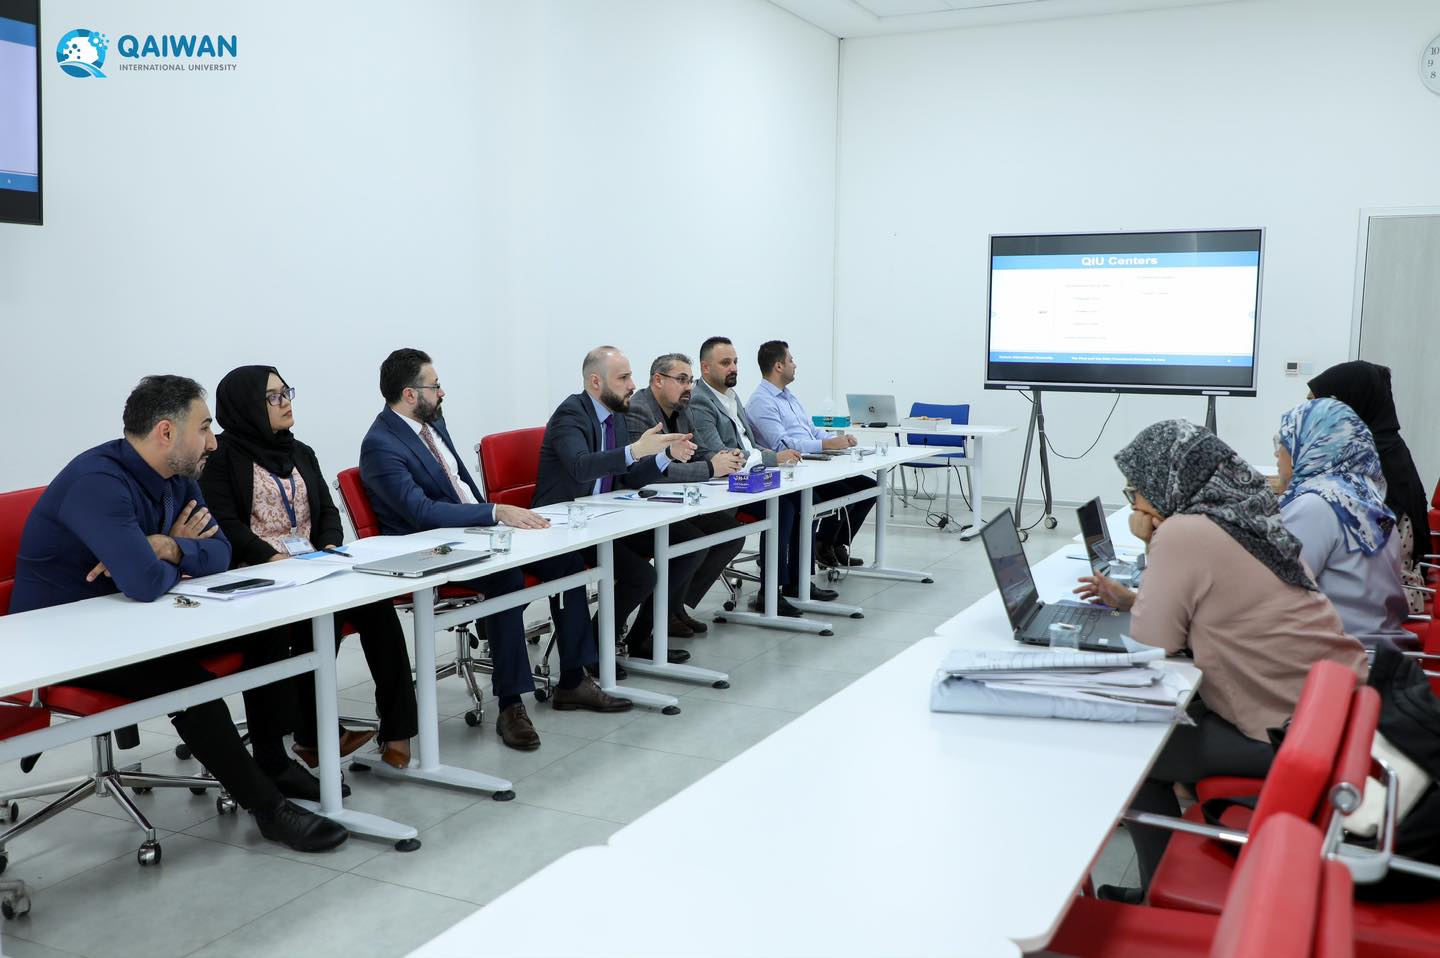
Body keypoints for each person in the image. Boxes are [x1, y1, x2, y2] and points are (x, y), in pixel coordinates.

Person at [10, 375, 347, 852]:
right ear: (166, 432)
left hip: (131, 620)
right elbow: (145, 584)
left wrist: (167, 545)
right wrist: (171, 556)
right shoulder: (98, 483)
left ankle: (272, 761)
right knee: (189, 684)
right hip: (67, 641)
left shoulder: (180, 477)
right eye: (205, 427)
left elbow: (222, 553)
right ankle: (267, 809)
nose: (213, 441)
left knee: (268, 631)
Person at [1073, 419, 1367, 900]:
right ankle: (1158, 886)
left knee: (1131, 746)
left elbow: (1153, 642)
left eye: (1136, 493)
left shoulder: (1184, 532)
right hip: (1334, 720)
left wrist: (1152, 541)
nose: (1135, 506)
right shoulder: (1249, 518)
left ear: (1167, 485)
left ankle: (1157, 896)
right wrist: (1133, 597)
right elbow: (1222, 609)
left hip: (1286, 740)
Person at [360, 349, 631, 753]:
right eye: (435, 386)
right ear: (410, 394)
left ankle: (573, 680)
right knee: (506, 579)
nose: (443, 392)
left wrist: (496, 516)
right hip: (436, 548)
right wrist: (493, 511)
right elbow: (419, 512)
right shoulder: (381, 444)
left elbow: (459, 485)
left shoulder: (432, 424)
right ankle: (510, 704)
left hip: (478, 530)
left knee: (568, 562)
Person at [200, 365, 419, 772]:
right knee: (313, 619)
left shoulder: (299, 451)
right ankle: (314, 735)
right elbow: (224, 524)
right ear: (247, 405)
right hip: (259, 572)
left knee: (376, 607)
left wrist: (332, 546)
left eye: (286, 393)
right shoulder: (222, 458)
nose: (284, 403)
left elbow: (325, 509)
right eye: (272, 397)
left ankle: (398, 727)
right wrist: (272, 557)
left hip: (313, 565)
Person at [531, 346, 706, 662]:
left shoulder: (618, 418)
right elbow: (581, 466)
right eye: (623, 377)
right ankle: (596, 648)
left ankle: (640, 639)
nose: (631, 385)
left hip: (605, 519)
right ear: (596, 382)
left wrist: (664, 456)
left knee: (689, 541)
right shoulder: (570, 414)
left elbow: (629, 478)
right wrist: (636, 450)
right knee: (641, 575)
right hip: (565, 525)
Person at [689, 336, 826, 615]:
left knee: (801, 500)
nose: (733, 368)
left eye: (735, 362)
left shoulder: (731, 396)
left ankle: (797, 581)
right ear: (705, 368)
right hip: (727, 486)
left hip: (753, 475)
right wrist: (774, 457)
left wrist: (775, 455)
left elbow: (748, 444)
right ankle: (770, 591)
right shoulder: (700, 402)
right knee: (784, 508)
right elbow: (724, 455)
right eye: (725, 363)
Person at [625, 353, 748, 636]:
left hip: (676, 500)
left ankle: (674, 607)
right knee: (694, 543)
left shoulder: (683, 407)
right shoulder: (639, 410)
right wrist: (709, 468)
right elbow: (650, 471)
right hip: (643, 504)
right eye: (681, 380)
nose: (689, 387)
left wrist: (724, 457)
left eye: (690, 380)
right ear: (658, 380)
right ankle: (650, 626)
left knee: (729, 533)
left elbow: (698, 449)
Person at [1273, 398, 1410, 644]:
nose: (1277, 453)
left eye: (1283, 441)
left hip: (1335, 663)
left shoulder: (1315, 506)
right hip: (1381, 657)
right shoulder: (1371, 501)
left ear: (1309, 445)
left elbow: (1275, 593)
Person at [1308, 360, 1432, 605]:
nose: (1306, 414)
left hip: (1378, 600)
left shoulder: (1366, 460)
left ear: (1345, 406)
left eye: (1314, 403)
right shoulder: (1386, 449)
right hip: (1384, 589)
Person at [746, 340, 875, 568]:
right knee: (837, 495)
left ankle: (830, 544)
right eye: (791, 360)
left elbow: (811, 429)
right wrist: (826, 445)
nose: (794, 365)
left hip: (811, 463)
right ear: (778, 366)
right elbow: (783, 445)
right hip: (793, 470)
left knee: (867, 488)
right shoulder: (761, 401)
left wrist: (837, 440)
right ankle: (817, 552)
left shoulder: (789, 396)